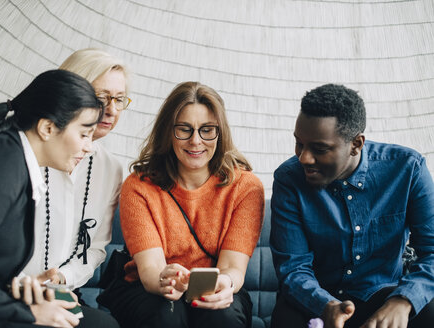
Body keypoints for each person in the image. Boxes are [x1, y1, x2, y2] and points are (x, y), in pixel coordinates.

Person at [0, 70, 116, 328]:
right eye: (83, 134)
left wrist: (21, 287)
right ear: (47, 128)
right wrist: (29, 314)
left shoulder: (13, 160)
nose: (89, 146)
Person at [97, 81, 265, 328]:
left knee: (222, 316)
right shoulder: (139, 186)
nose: (196, 141)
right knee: (167, 315)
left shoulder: (246, 187)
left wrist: (225, 285)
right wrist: (163, 280)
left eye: (207, 130)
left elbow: (232, 267)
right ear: (168, 132)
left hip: (216, 284)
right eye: (184, 129)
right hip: (147, 287)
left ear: (220, 133)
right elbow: (151, 268)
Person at [269, 84, 434, 328]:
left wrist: (403, 299)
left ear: (356, 144)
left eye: (319, 148)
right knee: (286, 316)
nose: (304, 157)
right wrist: (326, 306)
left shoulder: (408, 169)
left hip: (383, 296)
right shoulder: (288, 178)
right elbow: (293, 268)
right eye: (299, 144)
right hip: (313, 300)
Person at [19, 49, 129, 296]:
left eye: (119, 99)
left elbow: (97, 247)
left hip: (63, 290)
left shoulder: (110, 169)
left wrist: (62, 279)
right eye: (101, 96)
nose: (111, 110)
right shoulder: (27, 152)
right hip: (9, 289)